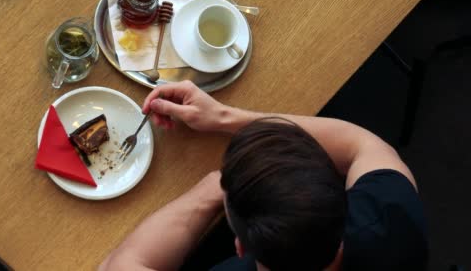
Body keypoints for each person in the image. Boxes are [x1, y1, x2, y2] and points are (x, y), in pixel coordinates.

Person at [99, 81, 428, 271]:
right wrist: (223, 117)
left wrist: (208, 191)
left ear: (240, 247)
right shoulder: (393, 215)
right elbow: (363, 143)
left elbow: (120, 264)